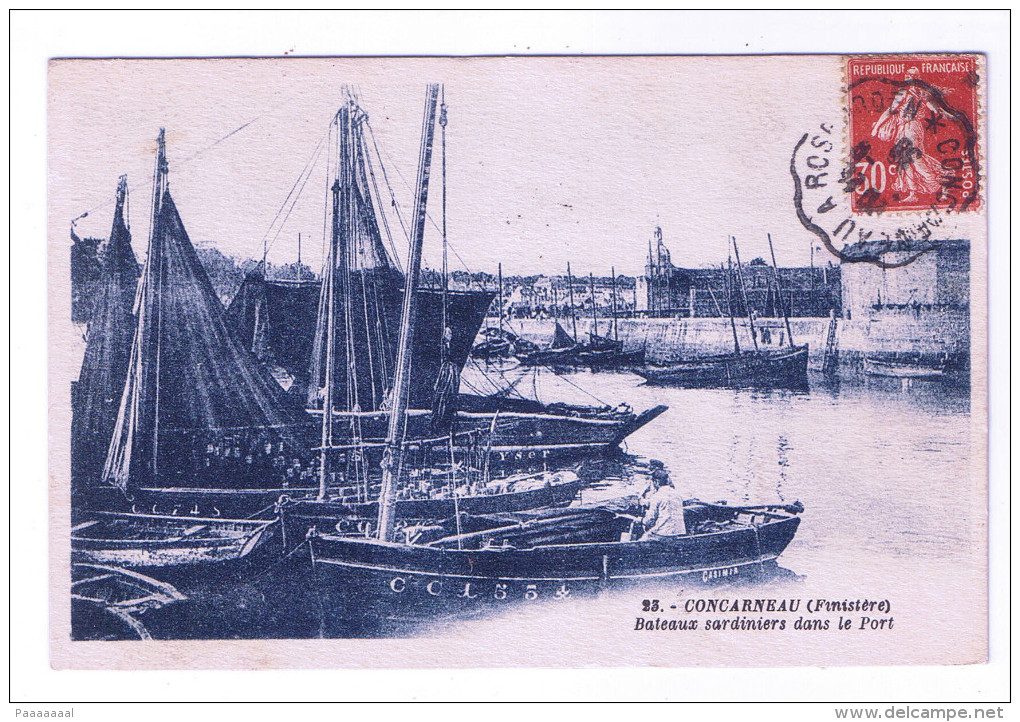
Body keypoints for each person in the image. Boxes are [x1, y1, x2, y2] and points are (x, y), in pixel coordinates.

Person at [641, 465, 687, 540]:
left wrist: (642, 521)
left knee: (643, 538)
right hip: (679, 532)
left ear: (656, 482)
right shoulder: (677, 494)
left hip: (663, 533)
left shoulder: (656, 496)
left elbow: (650, 519)